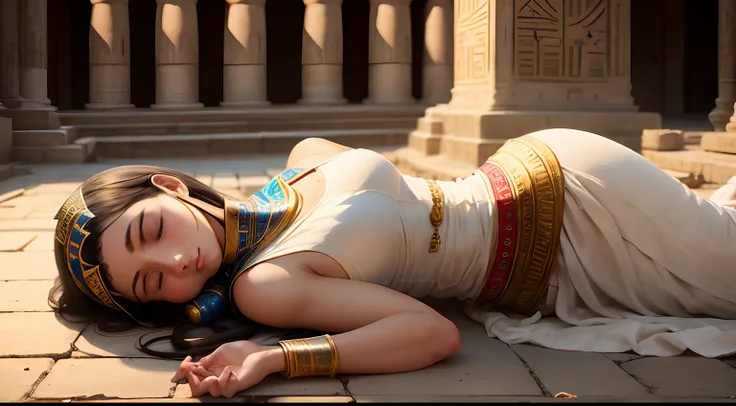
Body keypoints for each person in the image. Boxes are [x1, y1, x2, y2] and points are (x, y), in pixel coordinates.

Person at [49, 128, 736, 398]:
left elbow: (433, 328)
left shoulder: (295, 172)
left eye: (151, 232)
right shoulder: (268, 278)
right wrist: (273, 357)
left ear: (171, 186)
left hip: (562, 190)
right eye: (152, 282)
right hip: (562, 229)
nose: (175, 259)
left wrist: (279, 353)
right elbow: (428, 332)